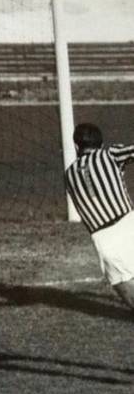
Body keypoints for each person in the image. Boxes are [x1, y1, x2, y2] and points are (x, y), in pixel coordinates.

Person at [64, 122, 134, 312]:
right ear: (100, 143)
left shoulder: (69, 174)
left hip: (103, 236)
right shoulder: (110, 154)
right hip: (129, 222)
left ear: (77, 146)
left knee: (121, 281)